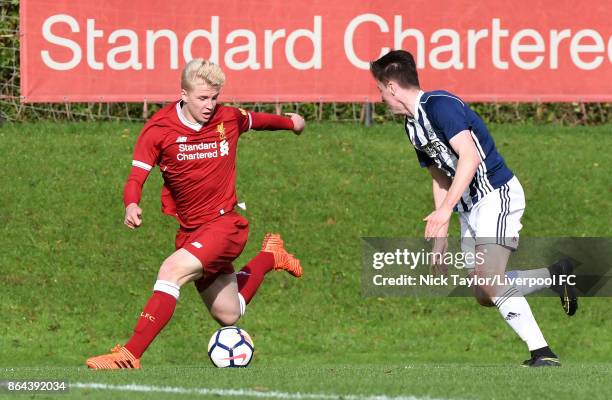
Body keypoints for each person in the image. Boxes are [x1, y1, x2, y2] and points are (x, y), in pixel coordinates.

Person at [86, 59, 305, 369]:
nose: (210, 105)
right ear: (183, 94)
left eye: (214, 98)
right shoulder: (159, 129)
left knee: (171, 271)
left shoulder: (227, 118)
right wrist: (131, 203)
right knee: (230, 313)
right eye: (203, 98)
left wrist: (293, 123)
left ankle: (130, 354)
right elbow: (136, 177)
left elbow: (261, 120)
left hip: (226, 225)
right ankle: (271, 256)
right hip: (192, 231)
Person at [369, 50, 577, 367]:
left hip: (495, 193)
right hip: (469, 208)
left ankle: (542, 353)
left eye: (380, 89)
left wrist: (444, 212)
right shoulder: (412, 127)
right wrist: (441, 232)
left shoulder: (441, 105)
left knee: (490, 279)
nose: (381, 97)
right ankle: (555, 275)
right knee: (482, 292)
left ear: (392, 86)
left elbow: (470, 157)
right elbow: (439, 177)